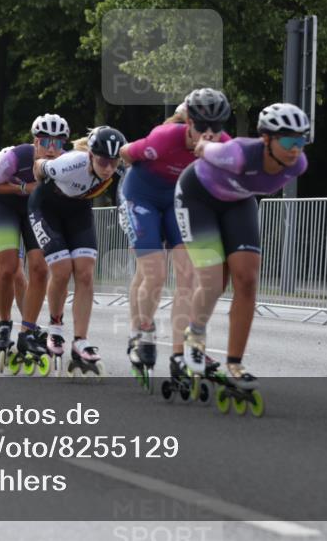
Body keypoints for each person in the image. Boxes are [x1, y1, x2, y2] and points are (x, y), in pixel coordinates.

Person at [175, 103, 310, 401]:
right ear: (266, 139)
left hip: (238, 202)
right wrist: (196, 134)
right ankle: (195, 334)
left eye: (301, 141)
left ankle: (234, 364)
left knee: (247, 279)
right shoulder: (237, 153)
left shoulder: (298, 164)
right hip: (198, 198)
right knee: (213, 279)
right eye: (288, 141)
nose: (295, 149)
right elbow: (202, 148)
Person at [119, 88, 232, 387]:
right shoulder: (164, 137)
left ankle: (180, 355)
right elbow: (126, 153)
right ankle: (142, 332)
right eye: (201, 128)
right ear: (188, 123)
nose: (209, 135)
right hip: (140, 196)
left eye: (216, 128)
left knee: (189, 276)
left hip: (177, 201)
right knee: (154, 274)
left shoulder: (223, 143)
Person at [31, 126, 127, 376]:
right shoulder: (69, 163)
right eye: (103, 161)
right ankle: (55, 327)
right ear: (91, 156)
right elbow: (38, 166)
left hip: (78, 211)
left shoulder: (120, 167)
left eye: (113, 162)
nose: (108, 168)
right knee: (62, 271)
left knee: (85, 273)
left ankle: (80, 340)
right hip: (47, 207)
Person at [0, 114, 69, 362]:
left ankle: (27, 330)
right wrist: (23, 188)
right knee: (9, 268)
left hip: (35, 210)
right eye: (46, 142)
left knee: (40, 269)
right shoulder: (18, 156)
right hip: (5, 205)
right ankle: (2, 323)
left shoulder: (66, 162)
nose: (52, 149)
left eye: (59, 142)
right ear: (35, 141)